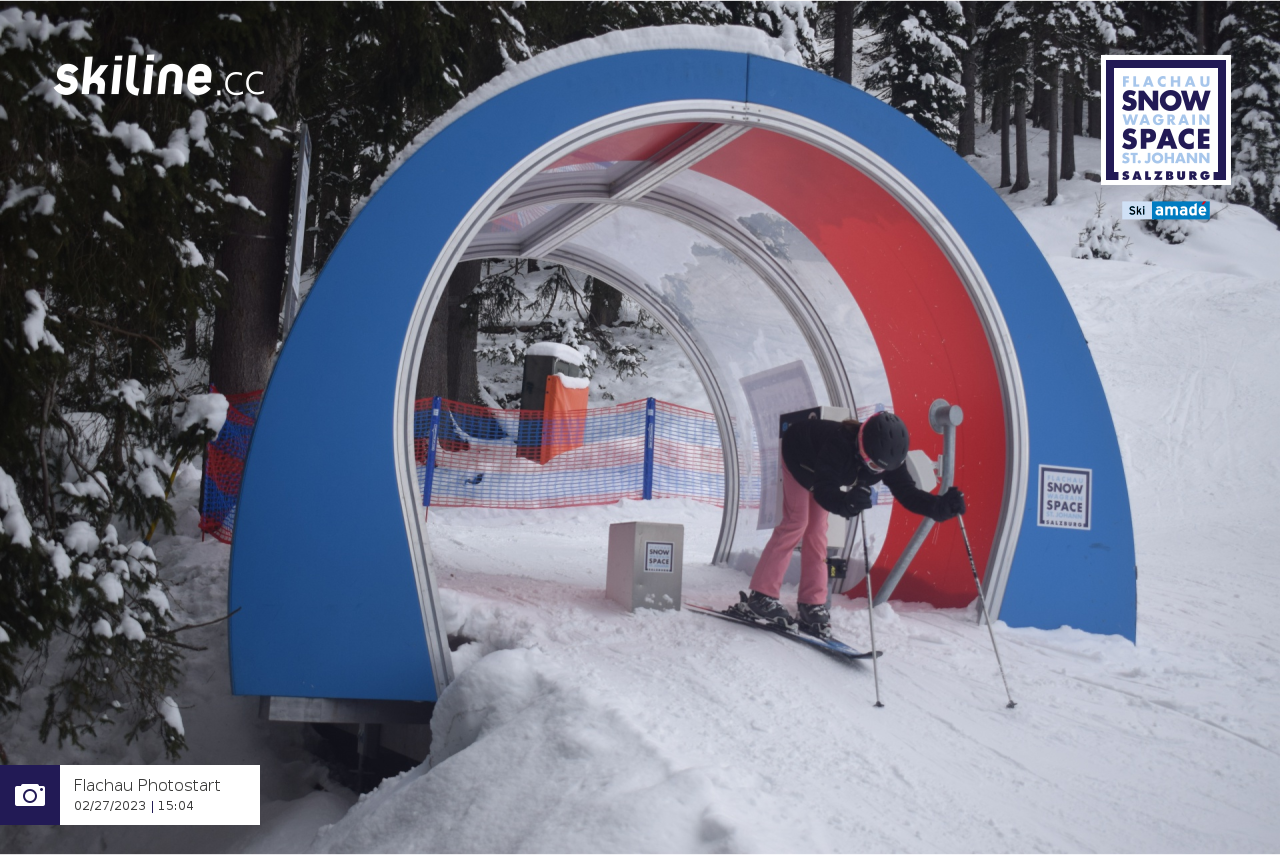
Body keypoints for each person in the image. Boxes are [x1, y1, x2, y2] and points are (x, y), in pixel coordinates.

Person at [730, 411, 966, 639]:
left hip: (824, 472)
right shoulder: (839, 445)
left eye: (884, 468)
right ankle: (761, 595)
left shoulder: (889, 458)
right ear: (862, 448)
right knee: (797, 521)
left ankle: (812, 603)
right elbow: (824, 490)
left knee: (817, 530)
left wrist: (937, 506)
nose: (879, 471)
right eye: (874, 466)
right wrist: (846, 503)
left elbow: (907, 493)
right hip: (800, 456)